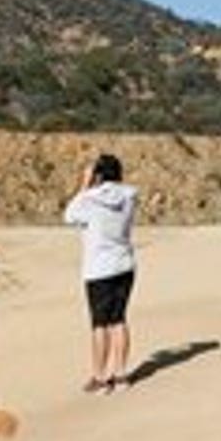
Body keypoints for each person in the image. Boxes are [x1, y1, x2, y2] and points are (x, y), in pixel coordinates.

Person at [62, 152, 139, 394]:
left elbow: (69, 216)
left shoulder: (90, 199)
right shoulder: (129, 196)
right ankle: (121, 375)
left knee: (100, 325)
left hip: (99, 269)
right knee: (119, 320)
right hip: (124, 265)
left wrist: (84, 186)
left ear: (98, 175)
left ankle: (100, 377)